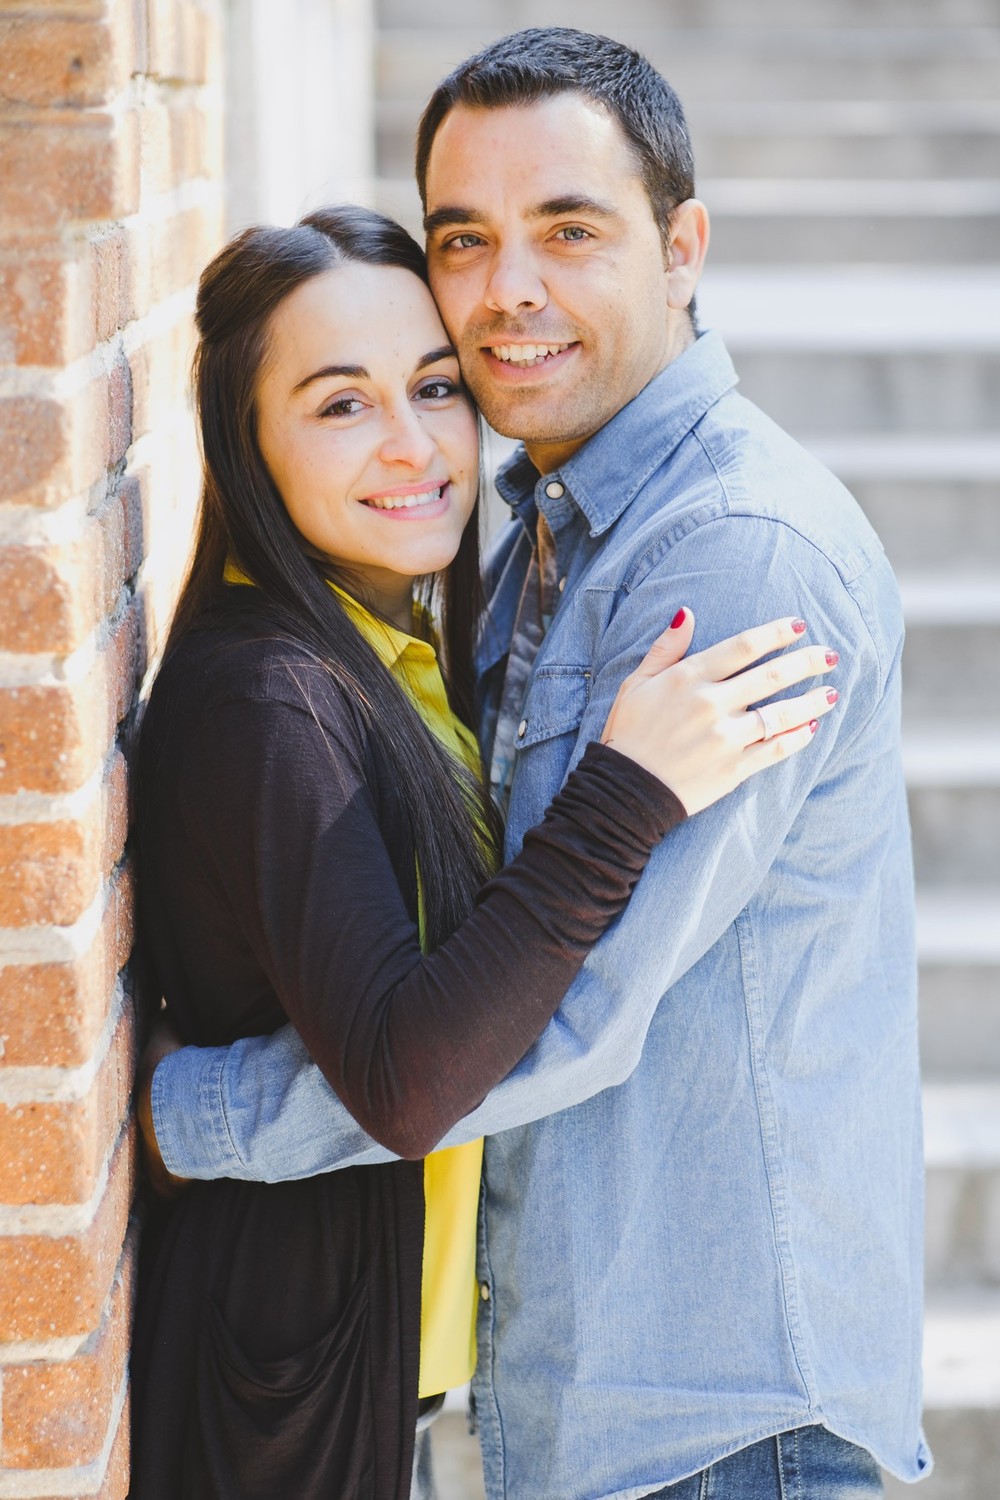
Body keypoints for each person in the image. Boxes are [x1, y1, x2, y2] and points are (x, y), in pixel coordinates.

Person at [139, 28, 929, 1500]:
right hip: (596, 1405)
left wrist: (197, 1115)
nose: (509, 292)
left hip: (716, 1422)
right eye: (466, 238)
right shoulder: (536, 530)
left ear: (682, 245)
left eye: (568, 231)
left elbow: (564, 1021)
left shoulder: (732, 565)